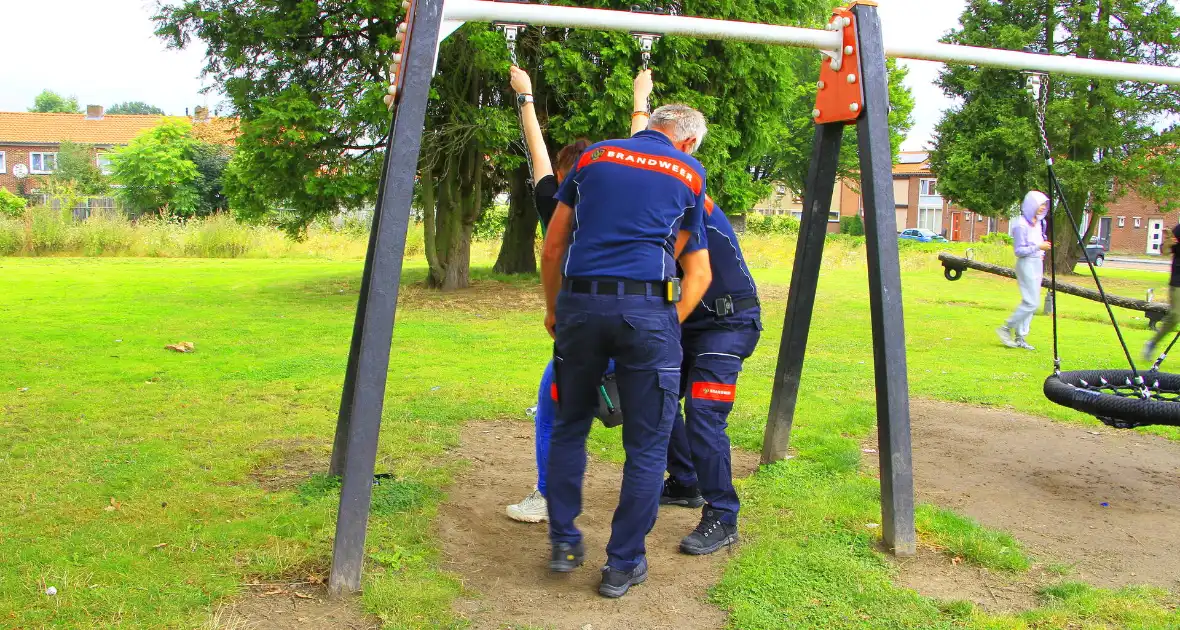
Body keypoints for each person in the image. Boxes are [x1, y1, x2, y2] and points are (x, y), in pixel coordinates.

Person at [542, 104, 713, 598]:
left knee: (571, 425)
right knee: (647, 444)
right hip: (648, 309)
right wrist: (661, 321)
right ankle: (622, 565)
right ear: (687, 142)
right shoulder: (689, 172)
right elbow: (684, 252)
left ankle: (564, 543)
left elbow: (554, 247)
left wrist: (555, 309)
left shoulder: (592, 157)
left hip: (580, 303)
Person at [504, 66, 654, 523]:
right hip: (635, 320)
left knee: (553, 409)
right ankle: (668, 485)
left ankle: (548, 495)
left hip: (582, 327)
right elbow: (639, 151)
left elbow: (539, 157)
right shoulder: (625, 195)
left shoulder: (556, 202)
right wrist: (640, 99)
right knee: (653, 411)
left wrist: (526, 97)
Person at [656, 194, 761, 556]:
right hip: (687, 322)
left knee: (703, 412)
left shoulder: (683, 196)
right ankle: (686, 481)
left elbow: (690, 270)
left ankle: (723, 515)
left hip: (728, 323)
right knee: (653, 395)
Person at [997, 191, 1051, 350]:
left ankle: (1021, 337)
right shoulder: (1021, 224)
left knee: (1030, 302)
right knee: (1031, 303)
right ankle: (1006, 328)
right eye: (1039, 204)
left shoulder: (1039, 223)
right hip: (1026, 263)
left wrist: (1041, 251)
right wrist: (1038, 247)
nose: (1042, 208)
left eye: (1044, 205)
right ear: (1031, 205)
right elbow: (1019, 251)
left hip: (1037, 263)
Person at [1143, 223, 1180, 361]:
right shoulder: (1178, 230)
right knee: (1176, 316)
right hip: (1178, 281)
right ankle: (1152, 343)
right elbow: (1164, 251)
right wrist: (1168, 243)